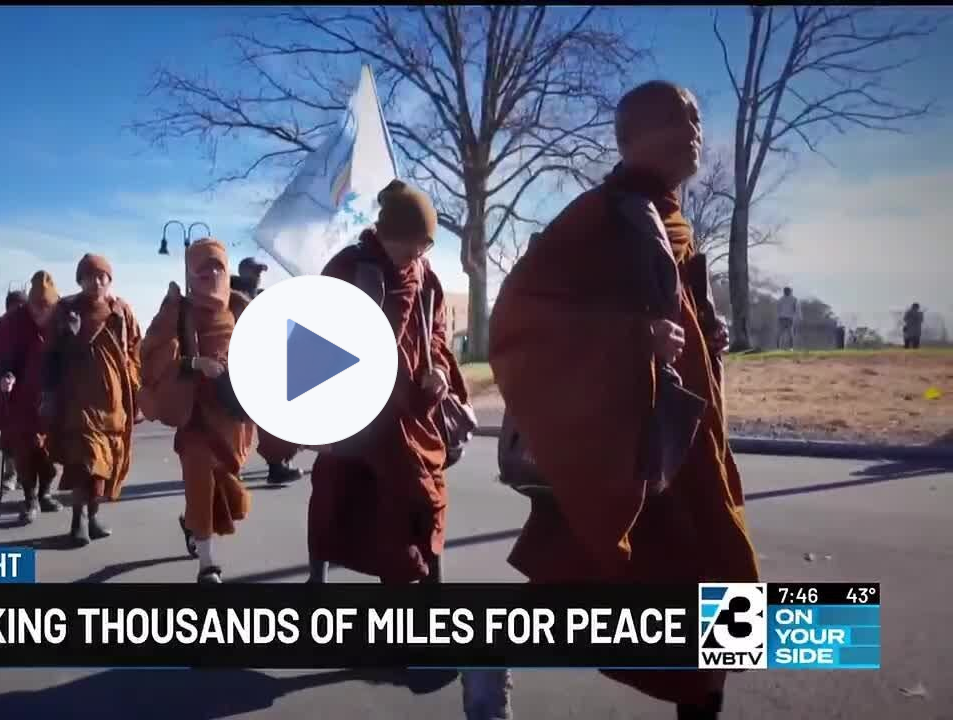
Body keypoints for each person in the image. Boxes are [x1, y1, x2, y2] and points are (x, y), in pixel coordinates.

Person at [488, 80, 757, 720]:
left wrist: (706, 331)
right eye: (676, 117)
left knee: (710, 585)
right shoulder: (598, 217)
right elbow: (519, 320)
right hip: (630, 446)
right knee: (599, 583)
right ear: (632, 136)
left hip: (689, 439)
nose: (693, 129)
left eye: (697, 117)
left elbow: (674, 309)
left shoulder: (671, 220)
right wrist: (631, 339)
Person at [305, 179, 468, 587]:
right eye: (412, 244)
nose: (418, 254)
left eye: (425, 246)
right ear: (387, 234)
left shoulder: (425, 275)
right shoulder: (349, 268)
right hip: (357, 409)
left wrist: (440, 371)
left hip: (412, 409)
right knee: (337, 500)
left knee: (422, 499)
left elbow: (436, 334)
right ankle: (317, 579)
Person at [141, 238, 254, 583]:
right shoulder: (179, 310)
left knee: (234, 500)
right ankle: (207, 565)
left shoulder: (242, 307)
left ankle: (191, 524)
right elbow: (152, 355)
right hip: (195, 415)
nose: (212, 274)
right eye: (203, 269)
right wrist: (195, 363)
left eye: (218, 267)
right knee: (199, 485)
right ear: (190, 273)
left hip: (233, 416)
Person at [41, 254, 143, 547]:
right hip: (78, 400)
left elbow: (135, 351)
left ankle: (94, 516)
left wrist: (136, 388)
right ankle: (79, 520)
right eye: (89, 277)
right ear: (80, 280)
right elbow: (50, 355)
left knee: (107, 463)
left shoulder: (121, 311)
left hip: (113, 403)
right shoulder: (66, 310)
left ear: (110, 280)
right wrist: (67, 337)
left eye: (102, 277)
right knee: (85, 462)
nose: (96, 282)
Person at [0, 271, 64, 523]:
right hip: (23, 400)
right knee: (25, 452)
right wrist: (4, 375)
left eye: (46, 306)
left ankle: (45, 494)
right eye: (36, 306)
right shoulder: (13, 324)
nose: (40, 312)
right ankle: (30, 499)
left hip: (54, 399)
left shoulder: (63, 320)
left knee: (50, 455)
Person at [230, 256, 301, 485]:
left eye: (260, 271)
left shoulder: (260, 296)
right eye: (255, 271)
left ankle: (276, 465)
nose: (259, 275)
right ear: (243, 271)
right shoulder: (230, 297)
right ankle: (234, 468)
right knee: (235, 423)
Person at [0, 289, 29, 492]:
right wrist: (0, 378)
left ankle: (26, 475)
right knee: (9, 434)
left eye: (23, 307)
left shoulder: (34, 326)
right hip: (6, 390)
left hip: (29, 388)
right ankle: (10, 473)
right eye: (15, 307)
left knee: (30, 436)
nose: (19, 311)